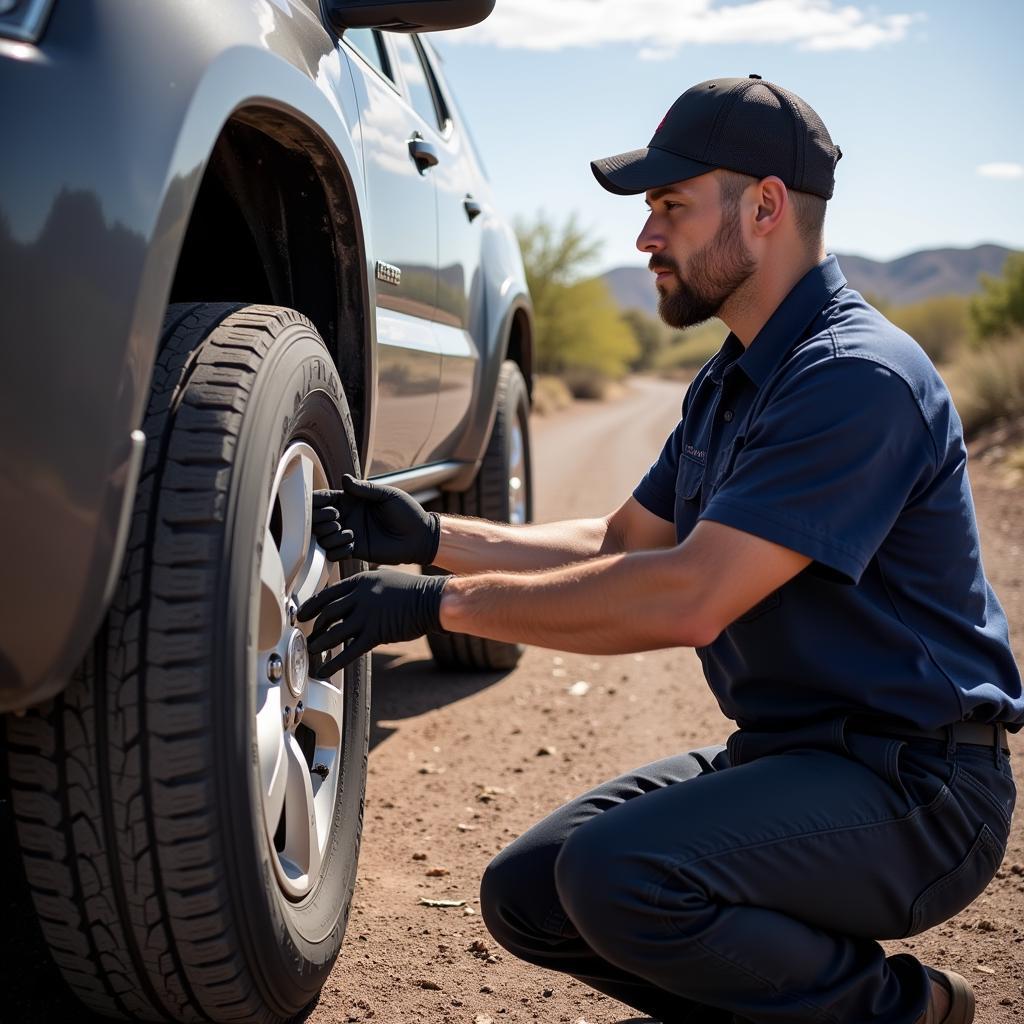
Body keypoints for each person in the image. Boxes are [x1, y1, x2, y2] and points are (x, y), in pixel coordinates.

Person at [298, 76, 1021, 1024]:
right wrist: (438, 540)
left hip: (918, 787)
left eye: (671, 208)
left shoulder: (854, 379)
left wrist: (438, 608)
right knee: (532, 891)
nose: (645, 239)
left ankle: (902, 1010)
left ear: (766, 207)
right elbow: (617, 543)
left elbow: (688, 595)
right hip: (792, 756)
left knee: (620, 875)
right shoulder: (733, 381)